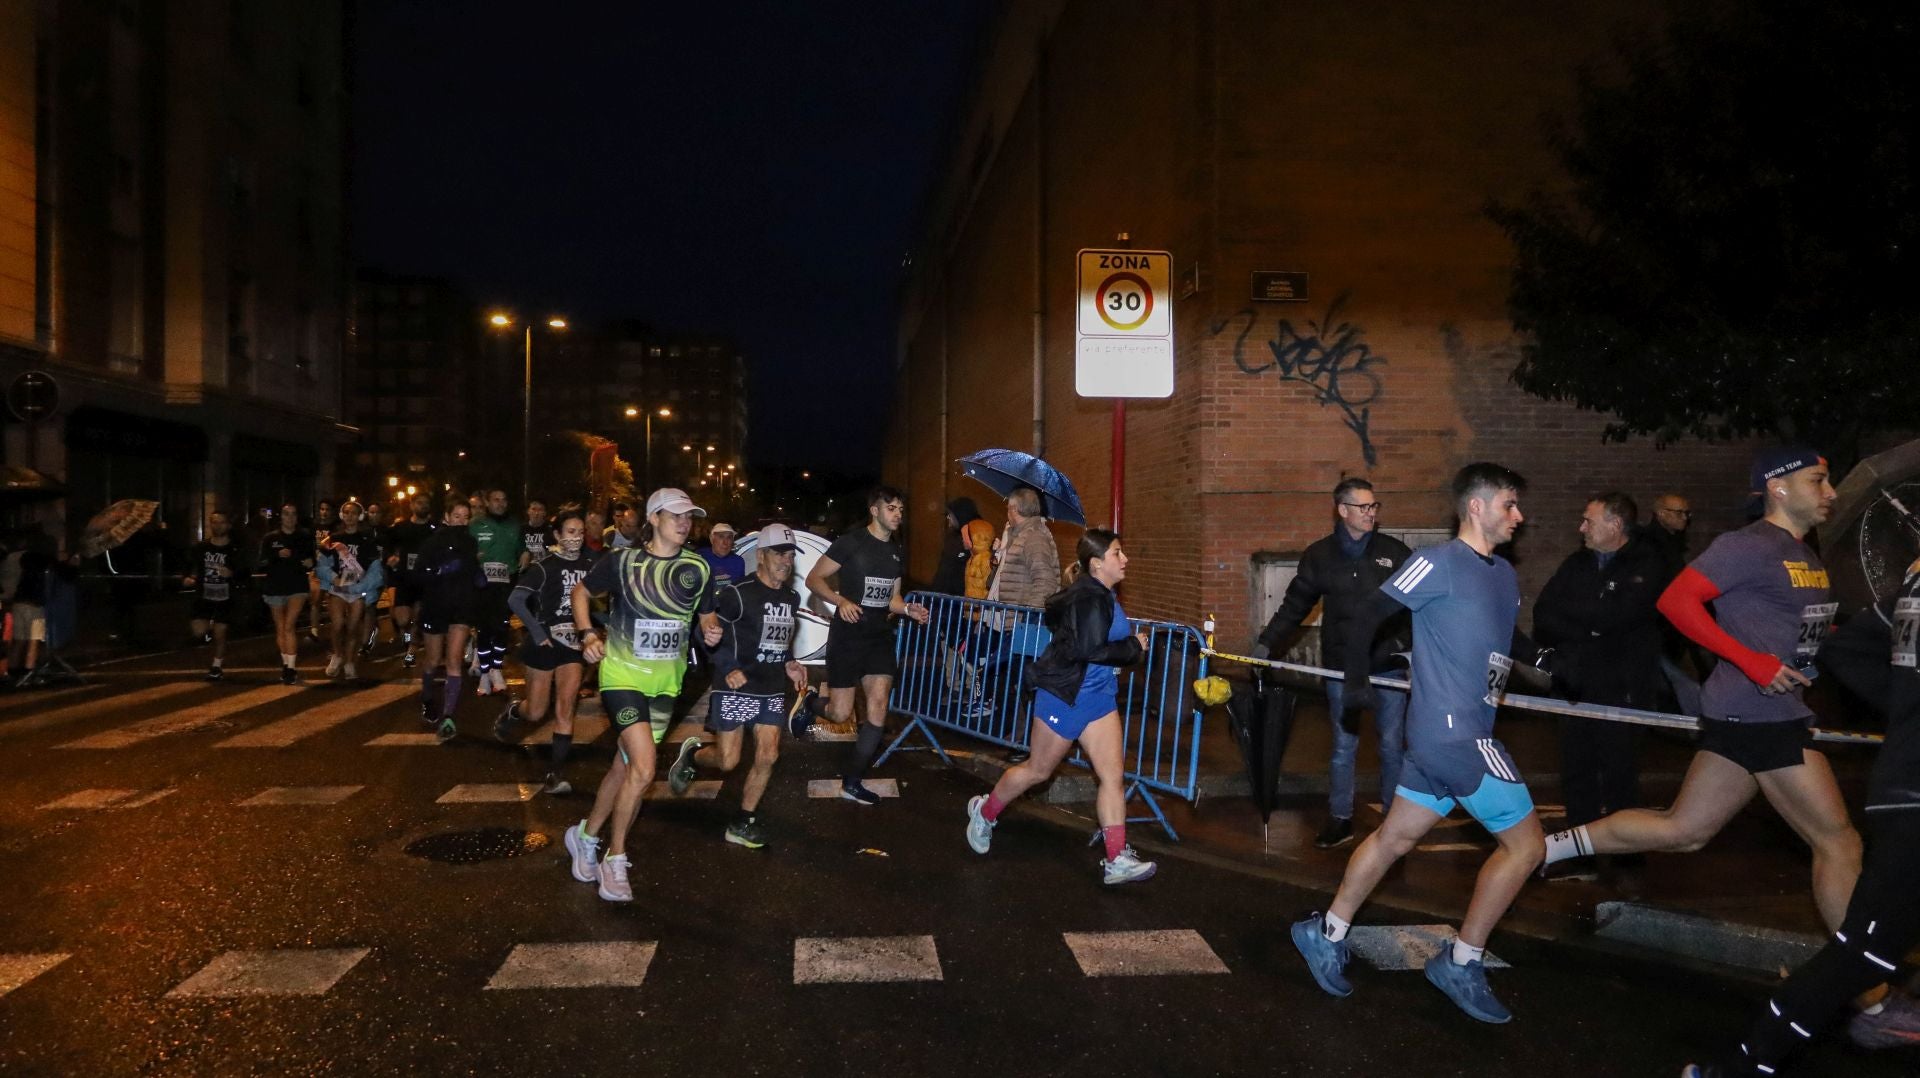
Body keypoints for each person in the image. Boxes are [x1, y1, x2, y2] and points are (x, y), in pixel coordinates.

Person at [1540, 450, 1863, 937]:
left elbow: (1790, 627)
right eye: (1818, 480)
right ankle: (1866, 988)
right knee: (1838, 842)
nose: (1831, 492)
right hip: (1759, 712)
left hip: (1754, 711)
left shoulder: (1805, 552)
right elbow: (1675, 601)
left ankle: (1548, 847)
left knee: (1683, 830)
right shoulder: (1747, 545)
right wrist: (1751, 661)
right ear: (1777, 488)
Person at [1292, 462, 1544, 1025]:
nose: (1518, 517)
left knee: (1392, 840)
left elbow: (1505, 638)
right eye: (1509, 504)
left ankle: (1325, 932)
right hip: (1454, 736)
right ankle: (1462, 960)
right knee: (1527, 848)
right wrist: (1355, 679)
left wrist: (1549, 661)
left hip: (1458, 735)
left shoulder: (1501, 574)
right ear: (1475, 507)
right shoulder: (1435, 561)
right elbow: (1366, 615)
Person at [1683, 557, 1920, 1077]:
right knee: (1859, 956)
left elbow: (1849, 648)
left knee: (1862, 951)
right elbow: (1679, 601)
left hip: (1904, 784)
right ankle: (1741, 1066)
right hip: (1910, 799)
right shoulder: (1749, 547)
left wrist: (1906, 710)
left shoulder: (1915, 575)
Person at [965, 528, 1157, 884]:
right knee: (1038, 771)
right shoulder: (1089, 598)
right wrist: (1134, 648)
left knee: (1113, 777)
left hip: (1098, 700)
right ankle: (985, 811)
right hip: (1066, 696)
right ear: (1098, 564)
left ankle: (1116, 859)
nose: (1125, 559)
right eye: (1118, 553)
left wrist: (1129, 647)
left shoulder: (1104, 593)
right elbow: (1088, 650)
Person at [563, 488, 722, 903]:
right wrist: (586, 634)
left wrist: (711, 630)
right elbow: (580, 593)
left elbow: (706, 616)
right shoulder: (623, 561)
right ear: (653, 518)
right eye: (676, 516)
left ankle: (585, 835)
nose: (685, 524)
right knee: (645, 768)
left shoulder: (696, 567)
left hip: (666, 684)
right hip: (622, 676)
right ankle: (615, 861)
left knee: (625, 765)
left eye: (690, 517)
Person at [1251, 478, 1413, 849]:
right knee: (1343, 746)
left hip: (1387, 665)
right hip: (1342, 667)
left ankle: (1392, 824)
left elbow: (1417, 606)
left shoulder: (1394, 552)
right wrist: (1266, 644)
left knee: (1391, 745)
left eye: (1374, 507)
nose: (1371, 514)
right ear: (1343, 511)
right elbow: (1295, 605)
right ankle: (1341, 819)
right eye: (1363, 507)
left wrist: (1409, 648)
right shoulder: (1320, 556)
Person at [1532, 492, 1665, 859]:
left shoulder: (1646, 563)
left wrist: (1584, 619)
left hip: (1622, 686)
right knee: (1576, 770)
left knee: (1620, 770)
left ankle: (1625, 853)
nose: (1582, 528)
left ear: (1615, 524)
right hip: (1574, 683)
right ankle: (1580, 848)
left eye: (1589, 521)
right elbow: (1544, 614)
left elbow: (1624, 616)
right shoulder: (1576, 564)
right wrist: (1590, 625)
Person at [667, 522, 808, 848]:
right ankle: (695, 754)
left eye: (790, 554)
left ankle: (743, 821)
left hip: (771, 686)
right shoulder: (737, 594)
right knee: (728, 761)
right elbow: (706, 632)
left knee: (768, 754)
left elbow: (781, 638)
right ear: (761, 555)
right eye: (778, 553)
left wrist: (790, 662)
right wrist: (727, 666)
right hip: (735, 687)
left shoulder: (791, 596)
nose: (785, 561)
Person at [805, 485, 931, 805]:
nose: (898, 514)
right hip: (848, 637)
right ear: (874, 510)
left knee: (878, 705)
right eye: (892, 508)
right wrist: (840, 600)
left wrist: (908, 610)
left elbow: (893, 598)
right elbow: (814, 579)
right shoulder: (851, 543)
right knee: (839, 712)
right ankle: (810, 706)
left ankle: (853, 780)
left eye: (901, 509)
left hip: (878, 638)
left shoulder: (896, 551)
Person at [503, 509, 601, 794]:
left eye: (581, 532)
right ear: (557, 535)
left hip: (573, 643)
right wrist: (536, 631)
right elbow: (516, 599)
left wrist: (598, 628)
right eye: (571, 532)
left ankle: (556, 773)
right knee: (536, 711)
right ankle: (514, 711)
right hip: (544, 641)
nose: (577, 538)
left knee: (566, 707)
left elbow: (602, 601)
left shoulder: (591, 564)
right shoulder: (545, 566)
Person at [414, 498, 484, 741]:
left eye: (466, 517)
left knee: (454, 660)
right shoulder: (432, 543)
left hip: (461, 608)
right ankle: (427, 697)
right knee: (433, 660)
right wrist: (441, 571)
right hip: (436, 605)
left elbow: (472, 569)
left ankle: (448, 716)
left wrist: (478, 575)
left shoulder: (470, 542)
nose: (462, 521)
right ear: (446, 516)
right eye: (457, 516)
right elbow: (418, 574)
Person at [315, 500, 384, 682]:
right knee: (337, 625)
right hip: (338, 588)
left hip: (357, 588)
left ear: (360, 516)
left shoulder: (367, 539)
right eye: (346, 513)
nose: (349, 516)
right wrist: (333, 578)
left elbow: (376, 569)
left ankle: (350, 662)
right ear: (341, 515)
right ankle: (338, 655)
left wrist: (362, 584)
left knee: (353, 628)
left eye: (353, 513)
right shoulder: (334, 538)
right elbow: (321, 565)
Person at [183, 511, 250, 681]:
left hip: (225, 597)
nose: (217, 525)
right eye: (213, 522)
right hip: (204, 596)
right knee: (199, 632)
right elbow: (190, 566)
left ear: (228, 525)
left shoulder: (235, 549)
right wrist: (189, 578)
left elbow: (245, 573)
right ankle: (208, 635)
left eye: (221, 522)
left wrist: (232, 573)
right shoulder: (201, 548)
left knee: (220, 632)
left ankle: (216, 666)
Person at [469, 488, 521, 694]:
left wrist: (525, 554)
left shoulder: (515, 525)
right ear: (488, 503)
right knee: (484, 629)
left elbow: (522, 549)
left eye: (503, 500)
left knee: (502, 628)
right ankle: (483, 673)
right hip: (483, 586)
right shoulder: (474, 526)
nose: (500, 504)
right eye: (495, 500)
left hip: (507, 584)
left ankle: (496, 667)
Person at [259, 503, 316, 684]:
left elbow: (312, 559)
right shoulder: (270, 538)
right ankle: (285, 664)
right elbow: (261, 562)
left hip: (297, 586)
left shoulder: (304, 536)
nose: (290, 518)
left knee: (290, 625)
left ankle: (291, 668)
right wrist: (277, 555)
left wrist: (309, 562)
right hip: (275, 585)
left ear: (297, 517)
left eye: (293, 514)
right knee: (281, 626)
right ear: (281, 517)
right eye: (286, 514)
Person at [383, 493, 436, 669]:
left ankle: (411, 652)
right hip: (404, 579)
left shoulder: (434, 529)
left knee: (419, 616)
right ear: (412, 505)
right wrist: (390, 557)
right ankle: (407, 638)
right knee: (403, 620)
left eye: (426, 503)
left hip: (425, 580)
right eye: (420, 503)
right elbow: (387, 545)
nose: (423, 506)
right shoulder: (401, 527)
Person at [928, 497, 992, 597]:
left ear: (961, 515)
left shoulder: (979, 539)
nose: (948, 517)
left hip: (962, 602)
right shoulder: (952, 537)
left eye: (951, 515)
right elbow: (943, 571)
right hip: (943, 599)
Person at [306, 498, 336, 639]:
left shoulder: (336, 527)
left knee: (332, 600)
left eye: (327, 509)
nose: (324, 512)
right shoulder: (314, 527)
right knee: (316, 599)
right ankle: (314, 630)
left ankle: (336, 630)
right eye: (322, 509)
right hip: (318, 566)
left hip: (331, 566)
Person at [697, 522, 746, 591]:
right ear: (711, 539)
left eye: (729, 538)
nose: (725, 543)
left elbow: (740, 589)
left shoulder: (738, 562)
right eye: (721, 537)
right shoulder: (700, 558)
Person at [519, 500, 550, 572]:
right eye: (533, 509)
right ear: (528, 511)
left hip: (544, 569)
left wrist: (547, 549)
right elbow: (516, 548)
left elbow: (557, 547)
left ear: (544, 513)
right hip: (524, 570)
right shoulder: (521, 529)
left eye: (540, 510)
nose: (536, 513)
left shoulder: (551, 530)